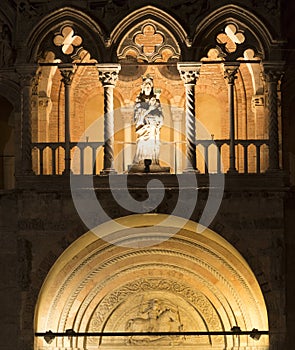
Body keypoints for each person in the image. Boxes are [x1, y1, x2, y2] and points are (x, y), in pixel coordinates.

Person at [133, 75, 163, 165]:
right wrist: (150, 109)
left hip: (153, 129)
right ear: (142, 87)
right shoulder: (139, 101)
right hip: (143, 129)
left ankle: (154, 163)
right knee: (142, 145)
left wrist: (157, 119)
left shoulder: (156, 101)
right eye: (146, 84)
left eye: (149, 84)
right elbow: (138, 118)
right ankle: (141, 162)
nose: (148, 86)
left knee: (153, 146)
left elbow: (161, 116)